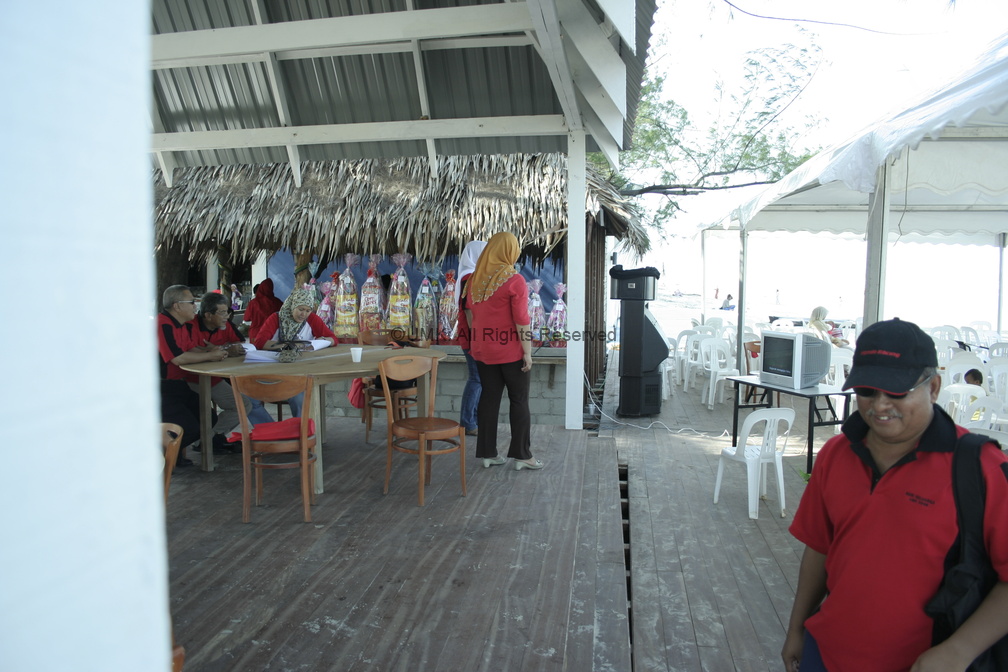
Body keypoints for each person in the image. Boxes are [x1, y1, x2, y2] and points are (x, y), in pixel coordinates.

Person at [781, 318, 1008, 672]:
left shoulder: (980, 467)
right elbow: (820, 549)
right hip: (824, 652)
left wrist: (959, 651)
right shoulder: (836, 454)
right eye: (867, 391)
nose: (880, 405)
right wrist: (797, 627)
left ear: (933, 388)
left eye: (897, 392)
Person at [465, 232, 541, 471]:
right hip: (511, 352)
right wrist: (527, 352)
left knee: (489, 398)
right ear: (510, 251)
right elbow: (522, 320)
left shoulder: (474, 279)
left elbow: (470, 315)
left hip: (483, 350)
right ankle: (522, 456)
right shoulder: (514, 280)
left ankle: (487, 453)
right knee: (519, 400)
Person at [157, 285, 230, 464]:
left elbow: (191, 348)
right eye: (191, 302)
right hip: (161, 387)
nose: (195, 306)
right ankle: (162, 458)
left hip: (178, 384)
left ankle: (172, 456)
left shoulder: (180, 324)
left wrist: (212, 351)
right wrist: (210, 355)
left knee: (208, 418)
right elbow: (177, 358)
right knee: (190, 427)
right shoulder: (162, 324)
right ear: (177, 306)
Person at [187, 292, 274, 433]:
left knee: (248, 401)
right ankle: (208, 440)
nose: (227, 316)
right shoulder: (190, 326)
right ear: (208, 315)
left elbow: (239, 342)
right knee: (204, 413)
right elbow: (191, 350)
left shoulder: (226, 324)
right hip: (194, 377)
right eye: (222, 313)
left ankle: (211, 438)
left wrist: (226, 348)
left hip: (224, 374)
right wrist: (221, 349)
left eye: (227, 312)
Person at [252, 287, 336, 416]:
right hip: (273, 372)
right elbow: (259, 343)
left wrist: (322, 341)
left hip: (300, 373)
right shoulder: (276, 318)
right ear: (292, 305)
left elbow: (333, 339)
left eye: (307, 310)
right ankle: (267, 426)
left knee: (298, 396)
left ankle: (301, 427)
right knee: (248, 398)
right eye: (300, 309)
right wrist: (289, 345)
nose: (304, 314)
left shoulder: (312, 319)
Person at [456, 240, 487, 437]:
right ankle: (468, 422)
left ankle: (473, 420)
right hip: (471, 334)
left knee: (479, 378)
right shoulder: (469, 276)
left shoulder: (469, 274)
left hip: (473, 333)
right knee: (476, 378)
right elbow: (469, 311)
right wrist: (476, 338)